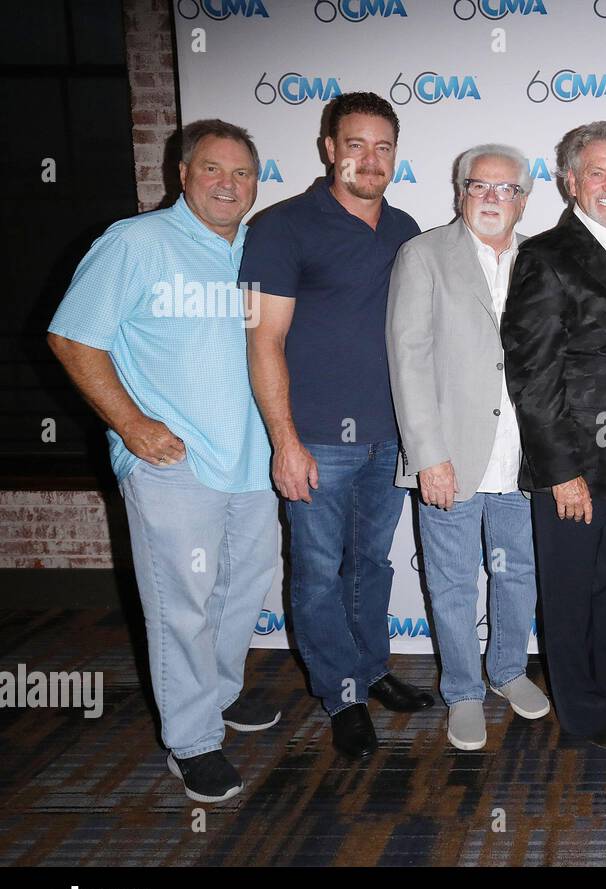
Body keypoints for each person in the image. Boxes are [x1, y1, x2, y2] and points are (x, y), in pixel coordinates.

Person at [48, 119, 279, 803]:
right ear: (181, 174)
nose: (227, 184)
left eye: (241, 173)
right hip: (172, 465)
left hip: (251, 458)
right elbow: (71, 338)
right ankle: (192, 740)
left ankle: (221, 695)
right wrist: (130, 423)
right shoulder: (134, 243)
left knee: (241, 593)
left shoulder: (257, 251)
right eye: (212, 169)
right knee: (182, 608)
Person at [242, 92, 429, 761]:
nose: (370, 159)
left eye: (383, 147)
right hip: (317, 437)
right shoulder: (283, 227)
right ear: (330, 149)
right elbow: (263, 342)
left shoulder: (406, 229)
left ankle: (372, 669)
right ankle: (342, 694)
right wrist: (284, 440)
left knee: (369, 566)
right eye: (356, 144)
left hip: (390, 437)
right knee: (319, 572)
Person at [386, 144, 551, 752]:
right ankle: (462, 690)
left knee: (518, 575)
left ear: (523, 200)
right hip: (450, 457)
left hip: (522, 458)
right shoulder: (424, 255)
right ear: (460, 192)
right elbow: (408, 360)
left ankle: (507, 670)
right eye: (478, 186)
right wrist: (427, 454)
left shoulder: (541, 258)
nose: (491, 198)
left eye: (505, 189)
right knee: (453, 582)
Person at [500, 120, 606, 750]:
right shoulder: (545, 256)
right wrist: (561, 471)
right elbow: (532, 374)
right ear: (570, 181)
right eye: (597, 171)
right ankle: (583, 717)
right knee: (569, 597)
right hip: (576, 467)